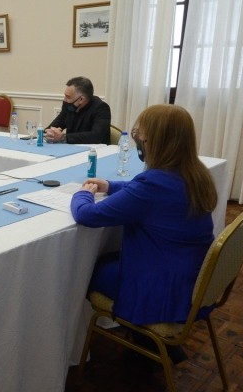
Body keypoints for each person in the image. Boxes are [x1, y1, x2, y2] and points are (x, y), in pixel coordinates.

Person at [70, 104, 217, 360]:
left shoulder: (153, 184)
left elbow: (87, 215)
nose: (139, 141)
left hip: (162, 291)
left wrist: (83, 193)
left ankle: (140, 338)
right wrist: (112, 185)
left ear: (155, 142)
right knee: (108, 260)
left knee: (86, 270)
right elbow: (145, 193)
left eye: (141, 136)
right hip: (191, 280)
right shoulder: (196, 173)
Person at [45, 76, 111, 144]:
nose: (65, 100)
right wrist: (50, 133)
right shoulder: (68, 105)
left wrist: (63, 137)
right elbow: (55, 124)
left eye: (68, 97)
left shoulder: (101, 108)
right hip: (71, 149)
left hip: (96, 151)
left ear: (81, 99)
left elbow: (96, 136)